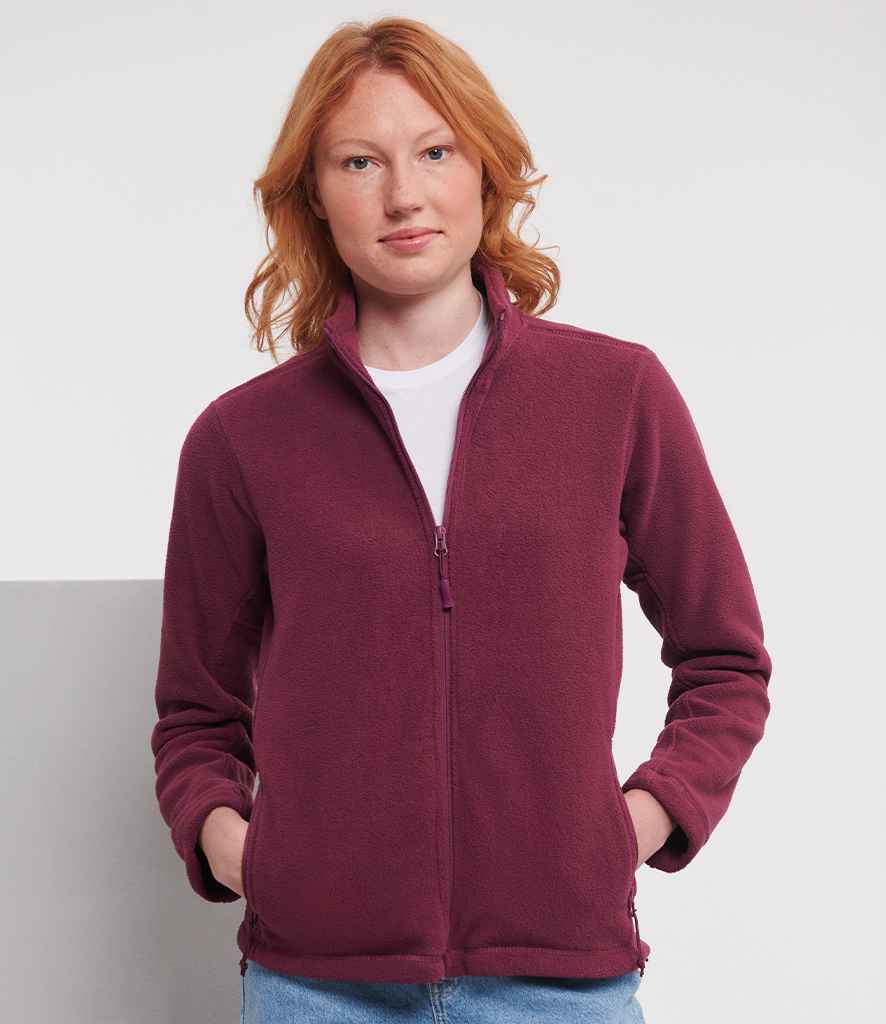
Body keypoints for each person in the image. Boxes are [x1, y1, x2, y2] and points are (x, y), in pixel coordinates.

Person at [150, 16, 772, 1024]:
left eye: (435, 151)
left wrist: (638, 821)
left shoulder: (615, 396)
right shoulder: (242, 439)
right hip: (315, 984)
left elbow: (726, 659)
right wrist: (242, 850)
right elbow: (195, 714)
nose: (404, 194)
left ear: (485, 171)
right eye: (360, 161)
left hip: (559, 981)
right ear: (315, 195)